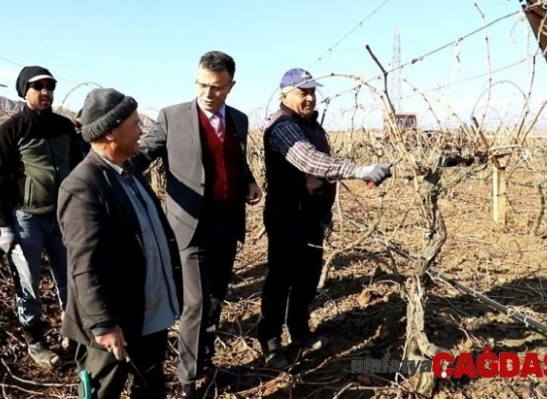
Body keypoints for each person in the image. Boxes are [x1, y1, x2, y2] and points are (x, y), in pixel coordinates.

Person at [131, 50, 262, 398]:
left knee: (216, 299)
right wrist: (111, 174)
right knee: (196, 304)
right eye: (202, 84)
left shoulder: (239, 120)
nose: (208, 93)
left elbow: (236, 159)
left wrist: (248, 180)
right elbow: (142, 156)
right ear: (195, 80)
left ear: (230, 86)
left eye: (217, 87)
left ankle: (205, 364)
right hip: (189, 227)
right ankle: (187, 380)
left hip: (228, 223)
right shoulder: (172, 117)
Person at [257, 68, 394, 369]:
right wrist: (359, 170)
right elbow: (309, 160)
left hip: (312, 216)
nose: (309, 97)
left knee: (307, 278)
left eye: (312, 92)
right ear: (285, 95)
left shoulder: (313, 126)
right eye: (302, 92)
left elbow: (320, 175)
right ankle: (270, 342)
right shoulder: (283, 127)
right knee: (281, 279)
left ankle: (299, 330)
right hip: (287, 216)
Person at [57, 88, 182, 399]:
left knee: (151, 385)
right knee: (102, 392)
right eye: (135, 124)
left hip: (147, 313)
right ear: (110, 132)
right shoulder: (82, 187)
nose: (142, 131)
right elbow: (83, 267)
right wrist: (103, 325)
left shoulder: (130, 173)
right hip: (114, 324)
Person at [0, 65, 83, 368]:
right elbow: (0, 178)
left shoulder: (64, 127)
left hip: (62, 216)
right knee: (27, 281)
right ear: (24, 91)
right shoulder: (11, 130)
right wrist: (5, 225)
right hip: (26, 217)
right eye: (38, 87)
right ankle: (36, 341)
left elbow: (78, 166)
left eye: (50, 87)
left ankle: (74, 333)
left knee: (69, 277)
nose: (46, 92)